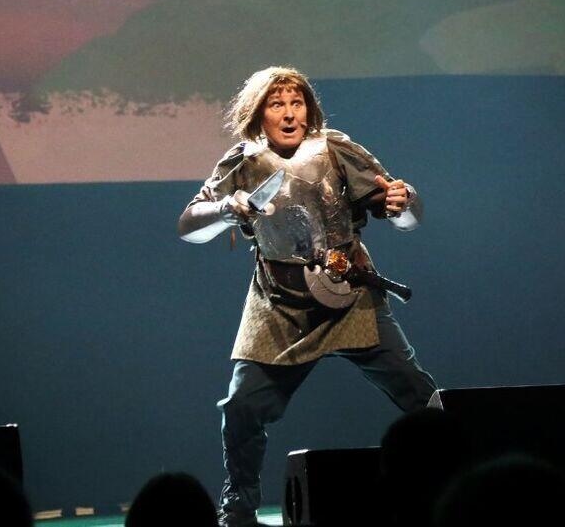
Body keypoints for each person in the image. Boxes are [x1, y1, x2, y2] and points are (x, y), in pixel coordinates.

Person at [178, 67, 436, 527]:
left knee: (418, 392)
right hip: (278, 303)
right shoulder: (242, 161)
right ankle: (238, 508)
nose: (289, 113)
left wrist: (405, 201)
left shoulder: (335, 149)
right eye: (277, 104)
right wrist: (225, 209)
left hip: (350, 295)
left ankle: (459, 484)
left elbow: (404, 214)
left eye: (296, 103)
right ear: (258, 113)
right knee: (242, 407)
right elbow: (188, 227)